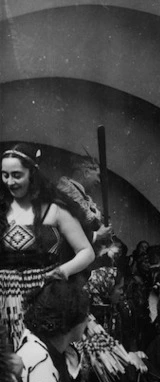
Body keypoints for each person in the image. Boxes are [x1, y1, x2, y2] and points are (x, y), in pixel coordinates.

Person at [0, 144, 96, 351]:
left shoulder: (55, 210)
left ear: (32, 173)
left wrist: (62, 271)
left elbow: (86, 252)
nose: (10, 182)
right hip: (3, 301)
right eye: (5, 175)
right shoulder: (2, 210)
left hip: (43, 298)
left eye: (16, 175)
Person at [56, 153, 113, 249]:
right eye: (98, 176)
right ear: (86, 173)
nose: (99, 181)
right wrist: (97, 235)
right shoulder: (64, 195)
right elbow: (64, 230)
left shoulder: (84, 199)